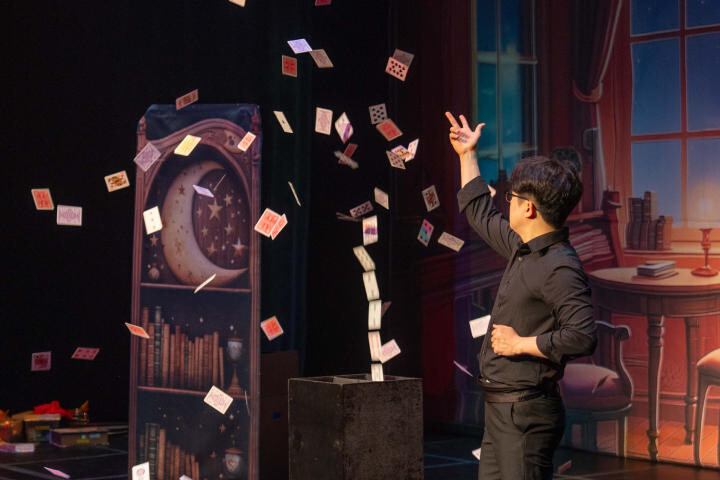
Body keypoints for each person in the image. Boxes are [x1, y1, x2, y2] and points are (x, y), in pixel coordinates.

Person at [445, 112, 597, 480]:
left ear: (528, 208)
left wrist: (520, 344)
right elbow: (480, 213)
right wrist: (467, 156)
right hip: (501, 411)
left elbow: (582, 335)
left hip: (525, 414)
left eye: (511, 197)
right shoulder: (522, 246)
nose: (507, 202)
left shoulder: (560, 266)